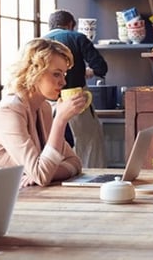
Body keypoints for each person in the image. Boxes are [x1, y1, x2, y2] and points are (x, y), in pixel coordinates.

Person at [0, 38, 84, 186]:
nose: (63, 82)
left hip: (22, 197)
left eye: (63, 75)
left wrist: (46, 173)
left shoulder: (43, 108)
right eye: (56, 74)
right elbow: (41, 175)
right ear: (34, 71)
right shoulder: (9, 111)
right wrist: (60, 120)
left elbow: (75, 162)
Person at [44, 9, 108, 168]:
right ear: (70, 25)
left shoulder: (39, 42)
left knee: (53, 146)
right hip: (76, 101)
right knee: (89, 144)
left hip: (47, 105)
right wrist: (88, 72)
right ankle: (90, 179)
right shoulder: (77, 38)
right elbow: (101, 67)